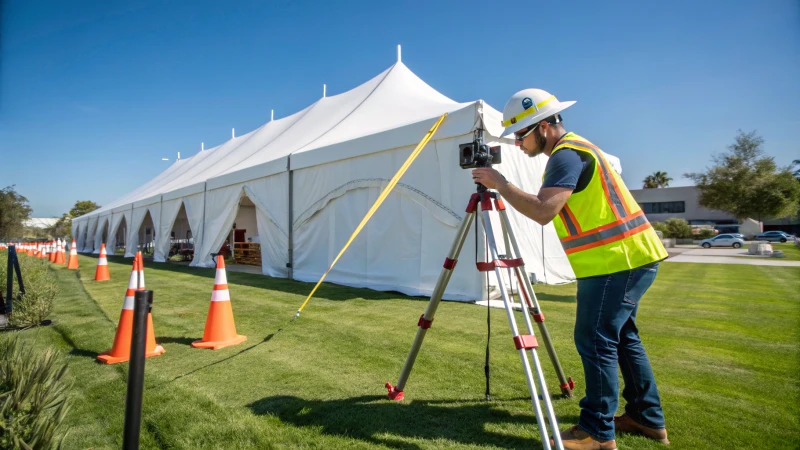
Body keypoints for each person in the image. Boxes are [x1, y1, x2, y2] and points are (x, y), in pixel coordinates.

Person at [471, 89, 670, 450]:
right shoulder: (578, 148)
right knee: (623, 339)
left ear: (544, 127)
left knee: (595, 339)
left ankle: (596, 432)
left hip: (616, 261)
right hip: (627, 257)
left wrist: (500, 184)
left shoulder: (566, 156)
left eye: (521, 134)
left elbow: (543, 211)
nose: (517, 143)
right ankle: (646, 417)